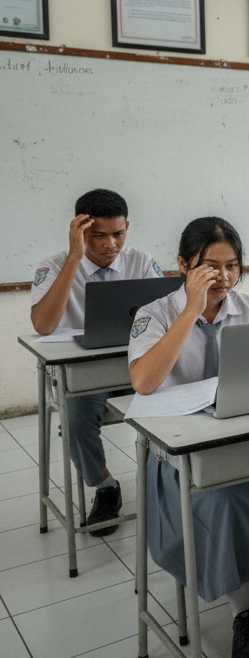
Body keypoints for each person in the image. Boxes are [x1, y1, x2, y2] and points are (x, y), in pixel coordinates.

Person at [128, 217, 249, 658]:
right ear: (182, 265)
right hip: (185, 458)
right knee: (223, 501)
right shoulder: (154, 315)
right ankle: (243, 611)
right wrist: (191, 311)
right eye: (210, 267)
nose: (224, 277)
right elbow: (143, 380)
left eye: (232, 266)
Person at [30, 188, 162, 537]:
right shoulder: (53, 266)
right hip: (85, 374)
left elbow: (169, 316)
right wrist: (75, 258)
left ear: (127, 228)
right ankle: (105, 487)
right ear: (78, 231)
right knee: (76, 419)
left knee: (177, 404)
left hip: (135, 365)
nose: (110, 245)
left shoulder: (141, 262)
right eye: (97, 235)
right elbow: (42, 325)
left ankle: (161, 484)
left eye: (118, 234)